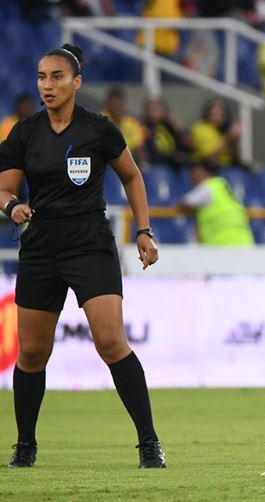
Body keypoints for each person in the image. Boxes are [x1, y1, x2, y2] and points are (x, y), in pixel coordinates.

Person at [0, 43, 165, 469]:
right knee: (33, 353)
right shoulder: (24, 132)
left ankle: (149, 445)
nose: (47, 85)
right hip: (40, 248)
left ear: (77, 82)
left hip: (90, 243)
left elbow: (131, 175)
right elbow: (4, 189)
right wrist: (11, 207)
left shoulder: (100, 130)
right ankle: (26, 446)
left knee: (110, 341)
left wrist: (144, 230)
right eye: (41, 77)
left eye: (57, 77)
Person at [178, 162, 254, 246]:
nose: (192, 178)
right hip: (243, 240)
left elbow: (184, 204)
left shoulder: (208, 187)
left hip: (223, 242)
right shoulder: (222, 185)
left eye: (195, 174)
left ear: (207, 173)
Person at [141, 96, 191, 171]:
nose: (156, 112)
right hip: (157, 168)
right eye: (153, 109)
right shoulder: (144, 128)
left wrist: (180, 129)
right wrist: (173, 158)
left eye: (159, 109)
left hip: (175, 166)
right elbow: (152, 155)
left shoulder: (168, 126)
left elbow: (187, 148)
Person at [190, 98, 242, 168]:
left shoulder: (225, 128)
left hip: (228, 166)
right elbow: (209, 158)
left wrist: (235, 141)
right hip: (205, 167)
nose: (219, 116)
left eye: (222, 113)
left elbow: (236, 157)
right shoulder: (201, 128)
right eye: (216, 113)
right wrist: (228, 141)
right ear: (208, 113)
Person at [102, 87, 147, 166]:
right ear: (107, 104)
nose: (115, 107)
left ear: (123, 104)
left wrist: (143, 164)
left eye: (118, 104)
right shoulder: (100, 120)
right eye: (112, 104)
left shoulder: (132, 123)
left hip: (129, 160)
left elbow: (139, 147)